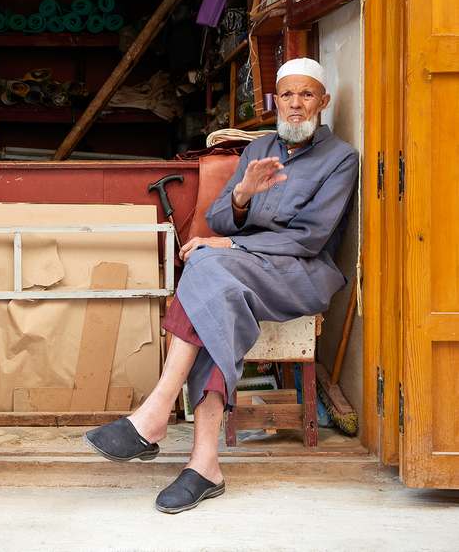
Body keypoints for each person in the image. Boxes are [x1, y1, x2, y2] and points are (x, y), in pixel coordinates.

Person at [83, 58, 359, 513]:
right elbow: (214, 219)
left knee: (206, 265)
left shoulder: (341, 159)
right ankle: (204, 463)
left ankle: (154, 414)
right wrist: (241, 195)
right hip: (237, 271)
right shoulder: (258, 150)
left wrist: (229, 243)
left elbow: (310, 238)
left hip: (300, 273)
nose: (295, 105)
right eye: (286, 95)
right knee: (216, 288)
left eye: (306, 95)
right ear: (275, 102)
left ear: (323, 101)